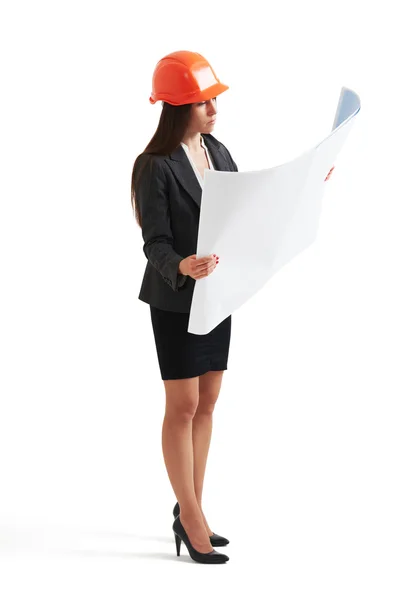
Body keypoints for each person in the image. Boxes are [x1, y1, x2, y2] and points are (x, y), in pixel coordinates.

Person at [131, 50, 237, 564]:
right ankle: (191, 518)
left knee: (209, 401)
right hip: (176, 299)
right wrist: (182, 266)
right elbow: (154, 243)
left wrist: (302, 188)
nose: (214, 109)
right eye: (203, 101)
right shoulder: (154, 165)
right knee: (184, 406)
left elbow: (244, 203)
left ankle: (189, 506)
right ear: (177, 106)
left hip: (218, 295)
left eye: (214, 99)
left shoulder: (216, 149)